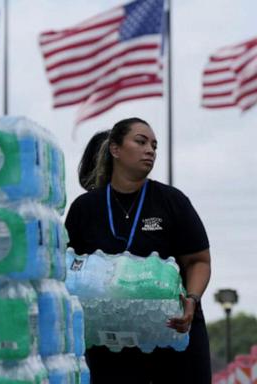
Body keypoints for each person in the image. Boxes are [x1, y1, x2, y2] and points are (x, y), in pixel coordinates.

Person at [65, 118, 212, 383]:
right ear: (115, 149)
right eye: (141, 142)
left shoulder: (172, 201)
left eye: (154, 145)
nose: (150, 150)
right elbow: (68, 269)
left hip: (173, 330)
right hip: (110, 339)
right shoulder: (84, 208)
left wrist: (192, 299)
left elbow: (199, 261)